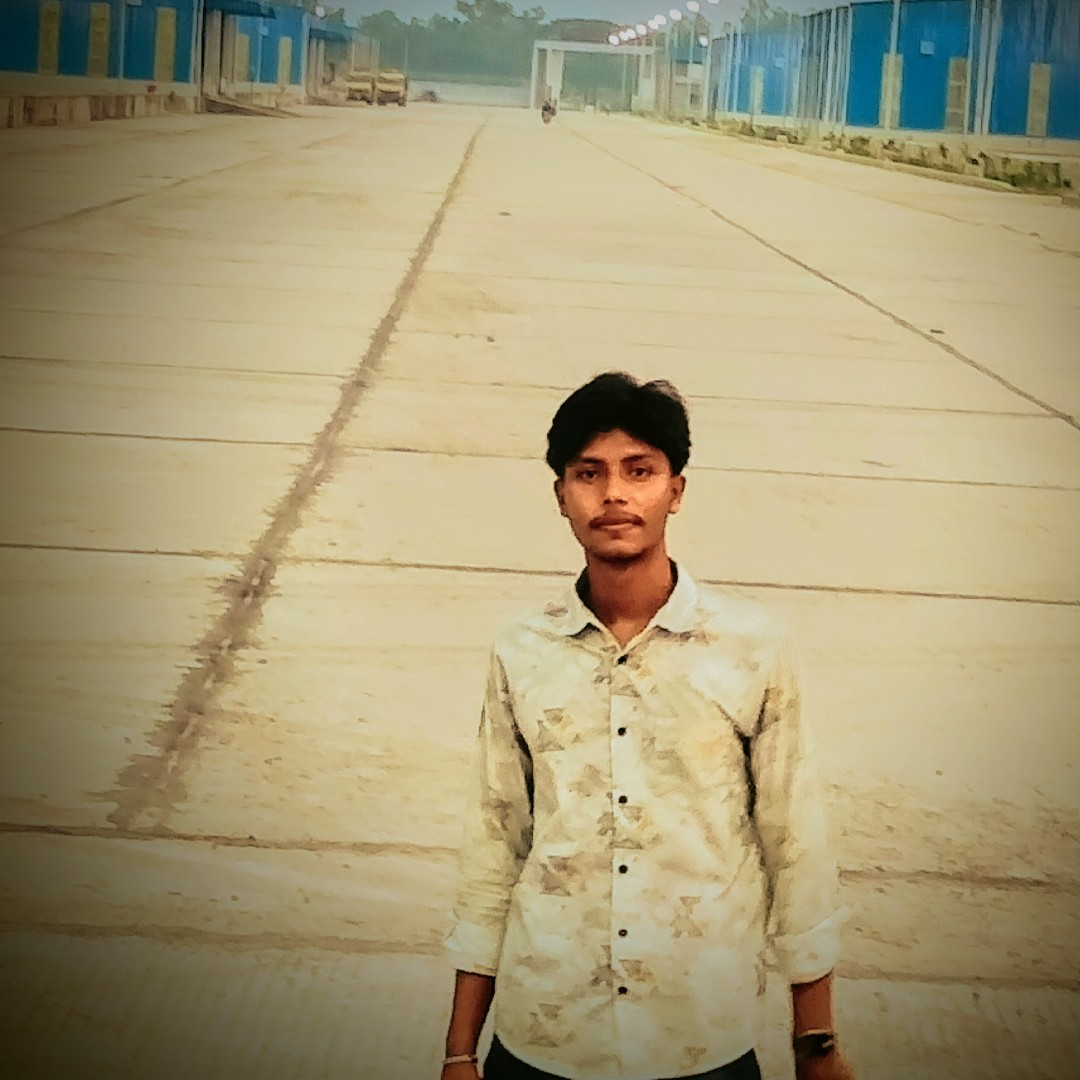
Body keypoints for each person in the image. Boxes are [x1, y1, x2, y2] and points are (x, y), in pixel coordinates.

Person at [442, 373, 856, 1080]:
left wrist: (814, 1041)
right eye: (589, 473)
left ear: (676, 490)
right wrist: (459, 1050)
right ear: (561, 496)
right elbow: (495, 841)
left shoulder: (751, 647)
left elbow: (795, 841)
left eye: (640, 471)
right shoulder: (522, 650)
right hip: (546, 1036)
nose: (614, 494)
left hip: (699, 1039)